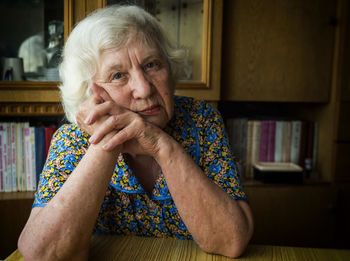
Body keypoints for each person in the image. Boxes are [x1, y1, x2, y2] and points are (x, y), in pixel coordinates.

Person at [18, 5, 254, 260]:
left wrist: (163, 148)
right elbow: (43, 254)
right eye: (118, 75)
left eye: (152, 65)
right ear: (90, 93)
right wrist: (107, 139)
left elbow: (231, 241)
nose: (143, 89)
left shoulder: (201, 121)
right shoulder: (73, 140)